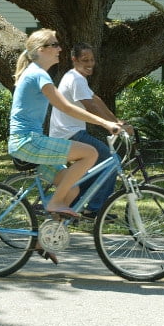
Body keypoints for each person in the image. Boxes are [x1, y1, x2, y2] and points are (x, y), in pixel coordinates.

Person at [8, 30, 120, 241]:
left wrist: (108, 121)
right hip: (27, 142)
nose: (60, 49)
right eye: (55, 45)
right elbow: (66, 107)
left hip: (30, 141)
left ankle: (46, 240)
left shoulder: (38, 72)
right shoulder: (38, 74)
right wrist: (105, 123)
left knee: (72, 189)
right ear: (42, 50)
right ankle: (54, 203)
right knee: (90, 153)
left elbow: (84, 101)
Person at [49, 43, 129, 218]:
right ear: (74, 59)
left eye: (92, 60)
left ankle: (75, 204)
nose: (90, 63)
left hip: (70, 133)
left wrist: (116, 121)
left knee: (96, 167)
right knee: (109, 160)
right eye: (85, 60)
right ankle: (95, 209)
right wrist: (110, 125)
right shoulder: (76, 78)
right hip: (69, 134)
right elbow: (90, 106)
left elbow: (96, 99)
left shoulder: (76, 77)